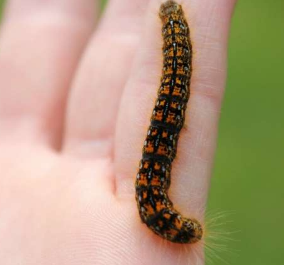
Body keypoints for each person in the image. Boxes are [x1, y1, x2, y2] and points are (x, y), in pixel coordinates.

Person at [0, 0, 236, 264]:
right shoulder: (152, 203)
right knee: (172, 92)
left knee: (172, 92)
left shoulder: (152, 200)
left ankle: (174, 27)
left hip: (172, 81)